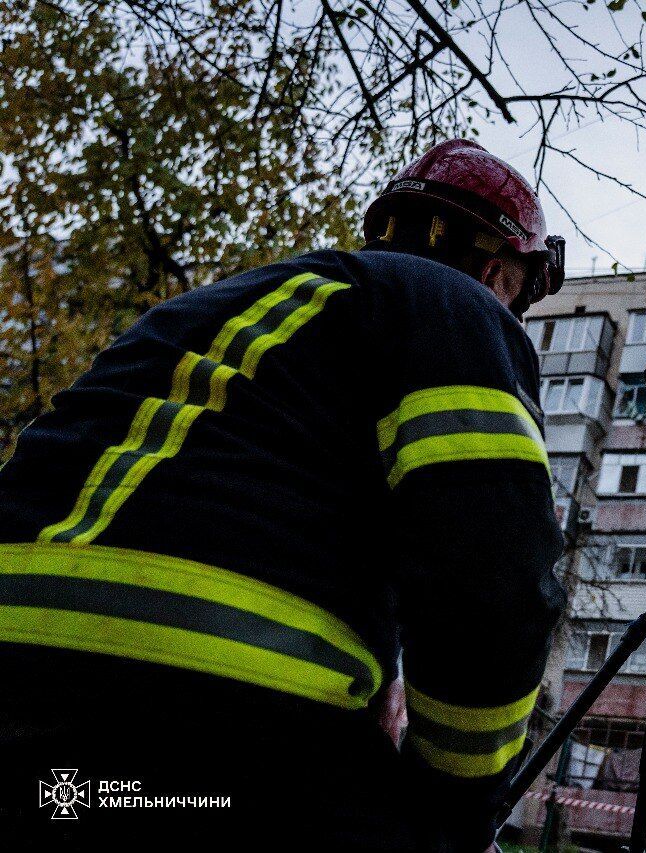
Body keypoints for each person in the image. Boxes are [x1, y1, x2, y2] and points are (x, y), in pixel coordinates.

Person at [0, 139, 568, 851]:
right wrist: (454, 807)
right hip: (214, 730)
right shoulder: (458, 308)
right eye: (518, 297)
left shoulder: (234, 308)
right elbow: (495, 579)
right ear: (495, 272)